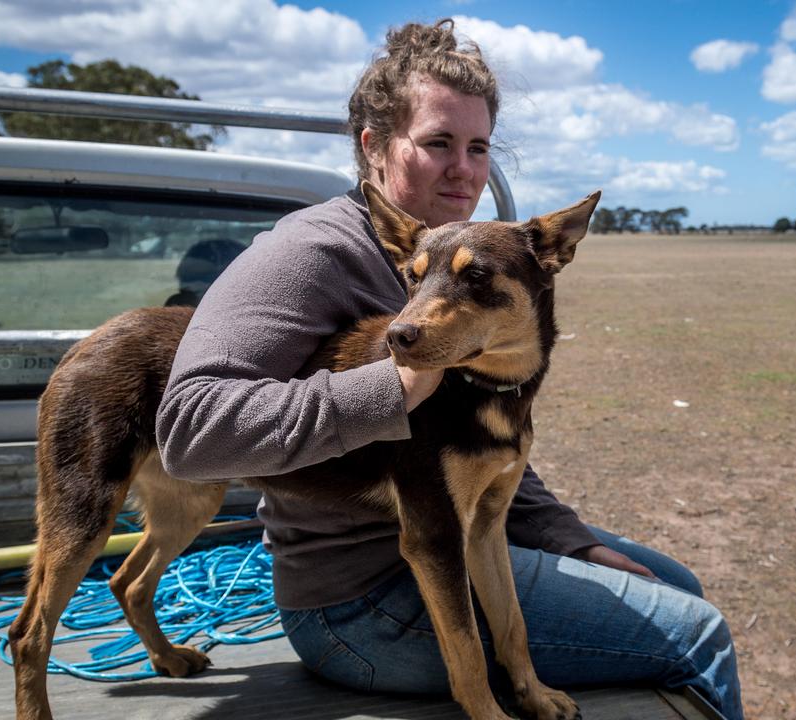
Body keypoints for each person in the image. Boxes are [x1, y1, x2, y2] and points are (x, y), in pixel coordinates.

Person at [155, 18, 743, 720]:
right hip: (361, 603)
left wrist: (569, 537)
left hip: (462, 539)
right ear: (375, 146)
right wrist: (392, 385)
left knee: (680, 584)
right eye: (438, 143)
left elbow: (481, 446)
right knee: (698, 633)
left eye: (478, 147)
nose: (465, 170)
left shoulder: (456, 249)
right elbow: (191, 431)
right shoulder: (308, 254)